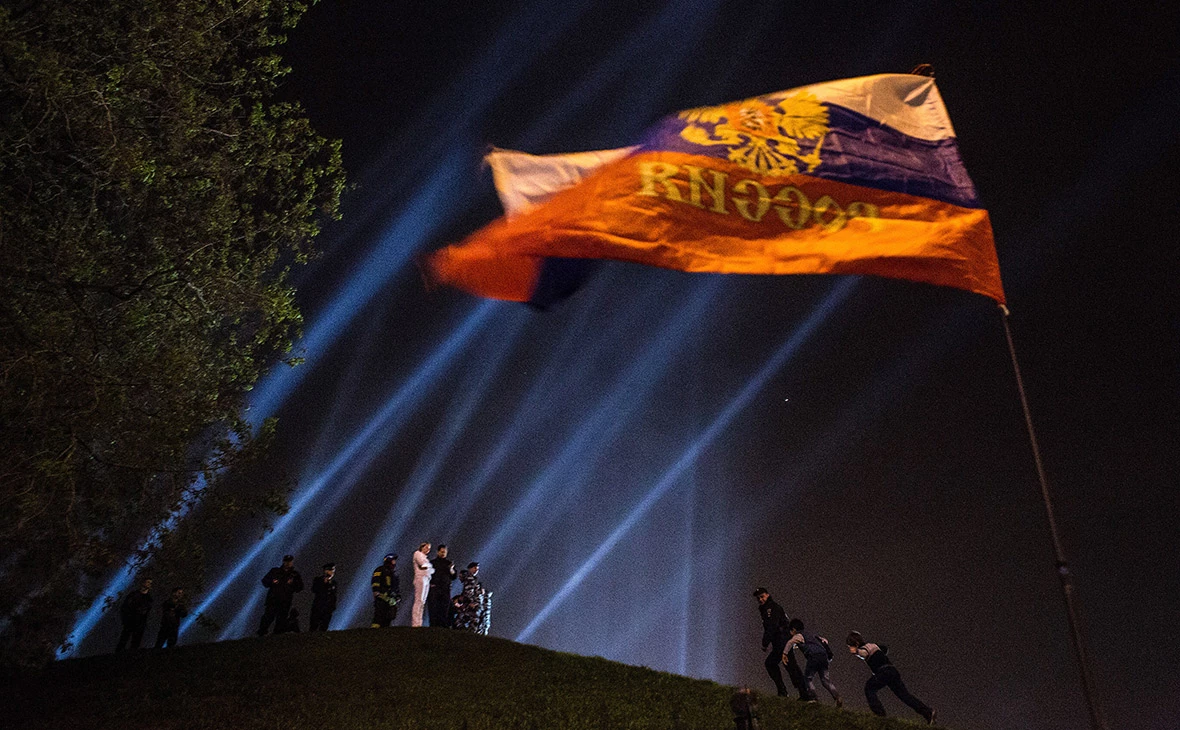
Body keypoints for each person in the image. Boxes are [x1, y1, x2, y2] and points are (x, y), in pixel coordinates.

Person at [846, 630, 936, 724]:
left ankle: (880, 716)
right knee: (905, 696)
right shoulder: (873, 645)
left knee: (869, 688)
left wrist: (856, 651)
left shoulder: (864, 648)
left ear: (856, 643)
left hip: (883, 672)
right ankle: (928, 713)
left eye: (850, 646)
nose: (849, 649)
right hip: (892, 671)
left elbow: (864, 653)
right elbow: (884, 649)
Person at [752, 587, 807, 698]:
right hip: (780, 642)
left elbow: (772, 627)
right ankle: (786, 692)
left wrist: (765, 643)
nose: (760, 600)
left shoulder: (772, 608)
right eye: (758, 598)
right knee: (775, 664)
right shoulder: (766, 609)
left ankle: (804, 694)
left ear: (767, 595)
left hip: (783, 641)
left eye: (762, 597)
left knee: (790, 666)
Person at [785, 618, 841, 706]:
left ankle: (813, 698)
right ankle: (837, 697)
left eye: (790, 631)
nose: (790, 634)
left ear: (794, 630)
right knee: (825, 679)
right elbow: (824, 640)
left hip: (814, 657)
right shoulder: (812, 635)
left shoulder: (798, 635)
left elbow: (790, 642)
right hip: (823, 656)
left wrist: (784, 654)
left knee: (807, 678)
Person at [257, 554, 304, 636]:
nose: (288, 563)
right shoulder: (275, 571)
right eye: (286, 561)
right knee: (268, 617)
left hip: (285, 600)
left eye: (289, 562)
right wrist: (272, 582)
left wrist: (293, 583)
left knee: (281, 619)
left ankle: (277, 635)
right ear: (283, 561)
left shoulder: (295, 574)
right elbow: (265, 581)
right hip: (273, 599)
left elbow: (300, 587)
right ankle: (261, 633)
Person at [115, 578, 153, 652]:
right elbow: (125, 607)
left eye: (150, 583)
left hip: (140, 623)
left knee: (136, 641)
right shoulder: (133, 595)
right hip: (130, 620)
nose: (149, 584)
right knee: (124, 639)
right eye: (148, 582)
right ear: (143, 583)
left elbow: (148, 611)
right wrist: (125, 619)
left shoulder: (149, 598)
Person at [453, 562, 490, 633]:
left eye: (477, 569)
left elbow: (469, 592)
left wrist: (470, 602)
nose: (476, 570)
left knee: (461, 621)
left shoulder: (470, 579)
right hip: (476, 604)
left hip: (473, 605)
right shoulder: (472, 579)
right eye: (475, 568)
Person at [428, 544, 457, 627]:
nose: (443, 553)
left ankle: (442, 626)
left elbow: (454, 576)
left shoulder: (449, 563)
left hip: (445, 589)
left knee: (444, 608)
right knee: (433, 608)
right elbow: (427, 575)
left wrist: (451, 569)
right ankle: (433, 626)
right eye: (442, 552)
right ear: (438, 552)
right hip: (435, 588)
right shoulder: (432, 563)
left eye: (445, 552)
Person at [371, 553, 401, 628]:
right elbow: (375, 581)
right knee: (379, 617)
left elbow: (395, 587)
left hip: (390, 599)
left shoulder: (393, 573)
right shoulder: (380, 570)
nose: (395, 562)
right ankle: (373, 634)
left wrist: (397, 596)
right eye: (393, 560)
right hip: (382, 598)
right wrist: (376, 591)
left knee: (388, 619)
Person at [410, 542, 434, 627]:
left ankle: (419, 622)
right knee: (418, 600)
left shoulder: (425, 558)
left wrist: (429, 567)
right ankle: (415, 623)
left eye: (429, 548)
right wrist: (429, 566)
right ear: (422, 547)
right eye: (426, 547)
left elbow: (431, 570)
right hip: (420, 578)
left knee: (422, 602)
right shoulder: (417, 554)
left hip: (426, 579)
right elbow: (422, 565)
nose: (428, 550)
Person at [309, 562, 338, 631]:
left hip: (328, 607)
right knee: (314, 626)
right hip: (318, 606)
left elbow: (334, 595)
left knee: (324, 626)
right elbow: (314, 589)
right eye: (331, 570)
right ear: (326, 571)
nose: (332, 572)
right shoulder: (318, 580)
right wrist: (323, 583)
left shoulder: (333, 583)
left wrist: (333, 606)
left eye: (333, 571)